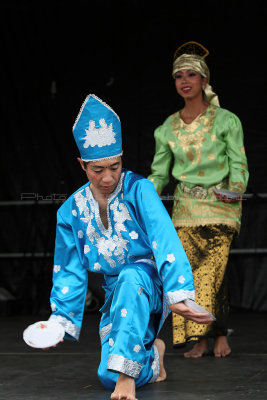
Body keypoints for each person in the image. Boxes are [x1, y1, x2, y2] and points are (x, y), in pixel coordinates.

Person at [46, 94, 213, 400]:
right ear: (82, 164)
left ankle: (128, 376)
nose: (108, 177)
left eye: (115, 166)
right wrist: (61, 320)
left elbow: (165, 239)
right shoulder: (70, 211)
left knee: (132, 275)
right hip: (116, 293)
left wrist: (179, 293)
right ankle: (153, 358)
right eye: (98, 170)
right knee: (106, 377)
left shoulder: (140, 189)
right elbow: (68, 267)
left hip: (148, 283)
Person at [147, 41, 249, 358]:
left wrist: (234, 189)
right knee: (186, 276)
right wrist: (142, 193)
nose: (185, 81)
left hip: (221, 208)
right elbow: (159, 174)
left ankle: (209, 335)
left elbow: (239, 164)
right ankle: (206, 338)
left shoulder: (226, 120)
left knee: (210, 273)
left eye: (192, 74)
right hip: (183, 210)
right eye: (179, 76)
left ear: (204, 80)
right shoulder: (166, 129)